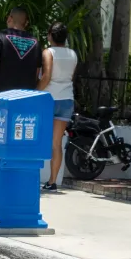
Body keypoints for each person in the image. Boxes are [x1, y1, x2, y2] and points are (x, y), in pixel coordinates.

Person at [0, 6, 42, 190]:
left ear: (9, 18)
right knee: (18, 134)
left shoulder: (0, 37)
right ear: (26, 22)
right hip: (23, 98)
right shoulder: (36, 42)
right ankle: (14, 175)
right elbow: (37, 72)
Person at [38, 22, 77, 191]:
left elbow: (46, 77)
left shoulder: (48, 52)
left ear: (50, 36)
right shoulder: (72, 54)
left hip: (48, 98)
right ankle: (52, 181)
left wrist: (34, 91)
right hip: (66, 99)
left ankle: (32, 174)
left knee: (37, 137)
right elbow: (71, 77)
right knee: (56, 143)